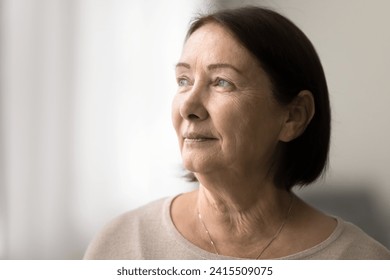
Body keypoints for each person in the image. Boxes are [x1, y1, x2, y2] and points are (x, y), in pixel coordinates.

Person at [84, 6, 390, 259]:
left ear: (293, 117)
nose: (188, 106)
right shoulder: (121, 244)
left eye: (221, 82)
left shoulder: (359, 259)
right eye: (183, 81)